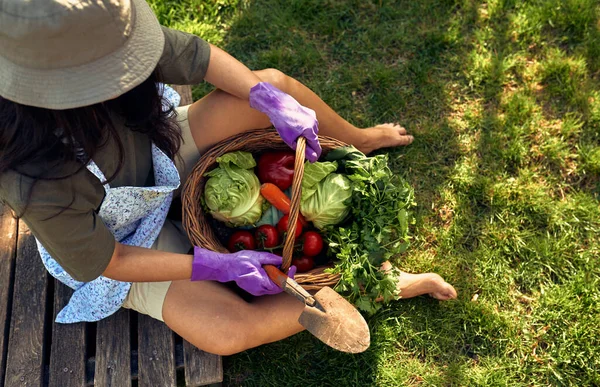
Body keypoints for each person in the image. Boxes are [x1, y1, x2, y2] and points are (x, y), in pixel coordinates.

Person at [0, 0, 456, 356]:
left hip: (161, 155)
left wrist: (268, 97)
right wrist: (214, 265)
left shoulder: (101, 34)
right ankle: (375, 281)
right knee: (226, 331)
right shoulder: (33, 176)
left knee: (274, 83)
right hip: (126, 239)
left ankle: (360, 138)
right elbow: (109, 259)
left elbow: (200, 58)